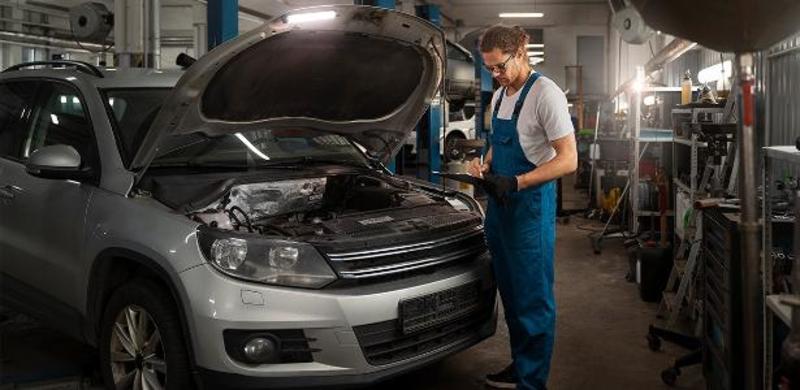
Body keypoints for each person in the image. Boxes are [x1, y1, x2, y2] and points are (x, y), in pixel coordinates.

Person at [468, 25, 577, 390]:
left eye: (500, 67)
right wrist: (485, 164)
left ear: (520, 53)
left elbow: (568, 161)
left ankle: (533, 381)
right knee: (511, 293)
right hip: (500, 206)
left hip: (530, 206)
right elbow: (500, 143)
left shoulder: (546, 94)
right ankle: (521, 365)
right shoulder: (500, 96)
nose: (495, 76)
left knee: (533, 297)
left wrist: (516, 182)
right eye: (490, 69)